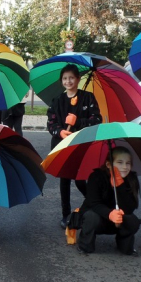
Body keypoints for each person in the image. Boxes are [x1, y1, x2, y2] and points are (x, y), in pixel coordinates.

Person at [46, 64, 102, 229]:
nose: (68, 81)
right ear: (61, 81)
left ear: (78, 79)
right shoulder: (57, 100)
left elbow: (97, 120)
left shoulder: (88, 98)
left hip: (82, 145)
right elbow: (51, 123)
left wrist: (78, 122)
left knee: (80, 179)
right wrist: (60, 131)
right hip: (62, 144)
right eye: (65, 78)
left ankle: (94, 203)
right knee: (65, 180)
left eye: (71, 78)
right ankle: (65, 214)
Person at [77, 147, 141, 255]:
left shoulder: (132, 178)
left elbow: (131, 207)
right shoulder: (96, 177)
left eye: (128, 163)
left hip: (118, 221)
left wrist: (120, 186)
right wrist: (110, 214)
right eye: (120, 162)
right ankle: (85, 245)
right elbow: (93, 203)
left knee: (132, 220)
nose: (125, 167)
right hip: (98, 217)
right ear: (108, 164)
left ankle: (124, 244)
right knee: (91, 217)